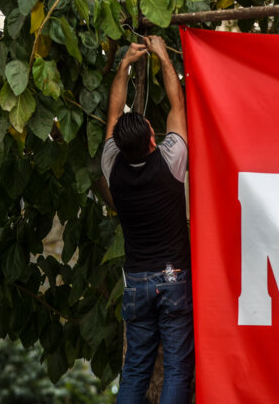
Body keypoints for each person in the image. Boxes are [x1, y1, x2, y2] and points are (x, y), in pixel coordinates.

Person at [101, 36, 193, 404]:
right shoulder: (171, 161)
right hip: (174, 278)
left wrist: (124, 64)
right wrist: (164, 57)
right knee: (176, 369)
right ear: (154, 138)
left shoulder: (112, 166)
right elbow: (178, 104)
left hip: (136, 281)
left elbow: (113, 113)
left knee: (136, 369)